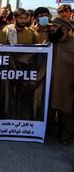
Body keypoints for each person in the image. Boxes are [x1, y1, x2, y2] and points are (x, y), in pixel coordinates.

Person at [48, 17, 74, 145]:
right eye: (51, 26)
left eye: (54, 26)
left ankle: (65, 137)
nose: (51, 28)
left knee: (67, 112)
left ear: (65, 28)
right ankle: (45, 133)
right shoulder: (48, 42)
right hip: (49, 85)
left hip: (68, 86)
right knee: (48, 111)